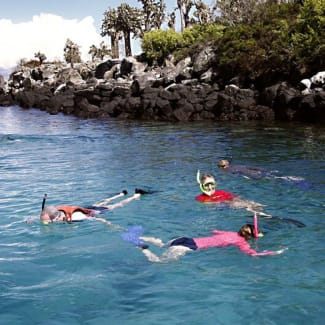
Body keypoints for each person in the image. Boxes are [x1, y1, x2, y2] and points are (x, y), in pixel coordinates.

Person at [135, 224, 287, 263]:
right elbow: (253, 254)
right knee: (161, 262)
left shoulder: (230, 233)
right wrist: (273, 252)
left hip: (186, 239)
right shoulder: (241, 242)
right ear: (251, 236)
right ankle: (143, 248)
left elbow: (214, 231)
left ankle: (144, 237)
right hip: (191, 246)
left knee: (162, 245)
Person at [38, 189, 148, 226]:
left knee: (115, 206)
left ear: (56, 218)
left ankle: (135, 196)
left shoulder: (76, 217)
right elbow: (46, 216)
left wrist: (109, 224)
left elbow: (95, 218)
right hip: (87, 208)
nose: (45, 224)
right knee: (101, 202)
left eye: (47, 223)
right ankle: (120, 194)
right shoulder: (56, 211)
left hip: (93, 212)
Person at [195, 171, 265, 212]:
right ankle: (255, 212)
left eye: (212, 184)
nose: (210, 187)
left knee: (250, 202)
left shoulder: (220, 192)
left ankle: (261, 213)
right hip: (223, 206)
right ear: (202, 186)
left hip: (230, 202)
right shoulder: (199, 197)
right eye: (207, 185)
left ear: (215, 184)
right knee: (239, 204)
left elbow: (234, 196)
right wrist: (225, 202)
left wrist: (239, 199)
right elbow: (207, 203)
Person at [217, 159, 308, 186]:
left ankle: (287, 178)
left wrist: (246, 178)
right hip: (254, 170)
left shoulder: (226, 170)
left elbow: (237, 174)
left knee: (272, 178)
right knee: (270, 175)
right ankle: (290, 177)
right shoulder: (238, 165)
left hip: (251, 174)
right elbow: (251, 167)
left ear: (222, 166)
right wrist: (264, 170)